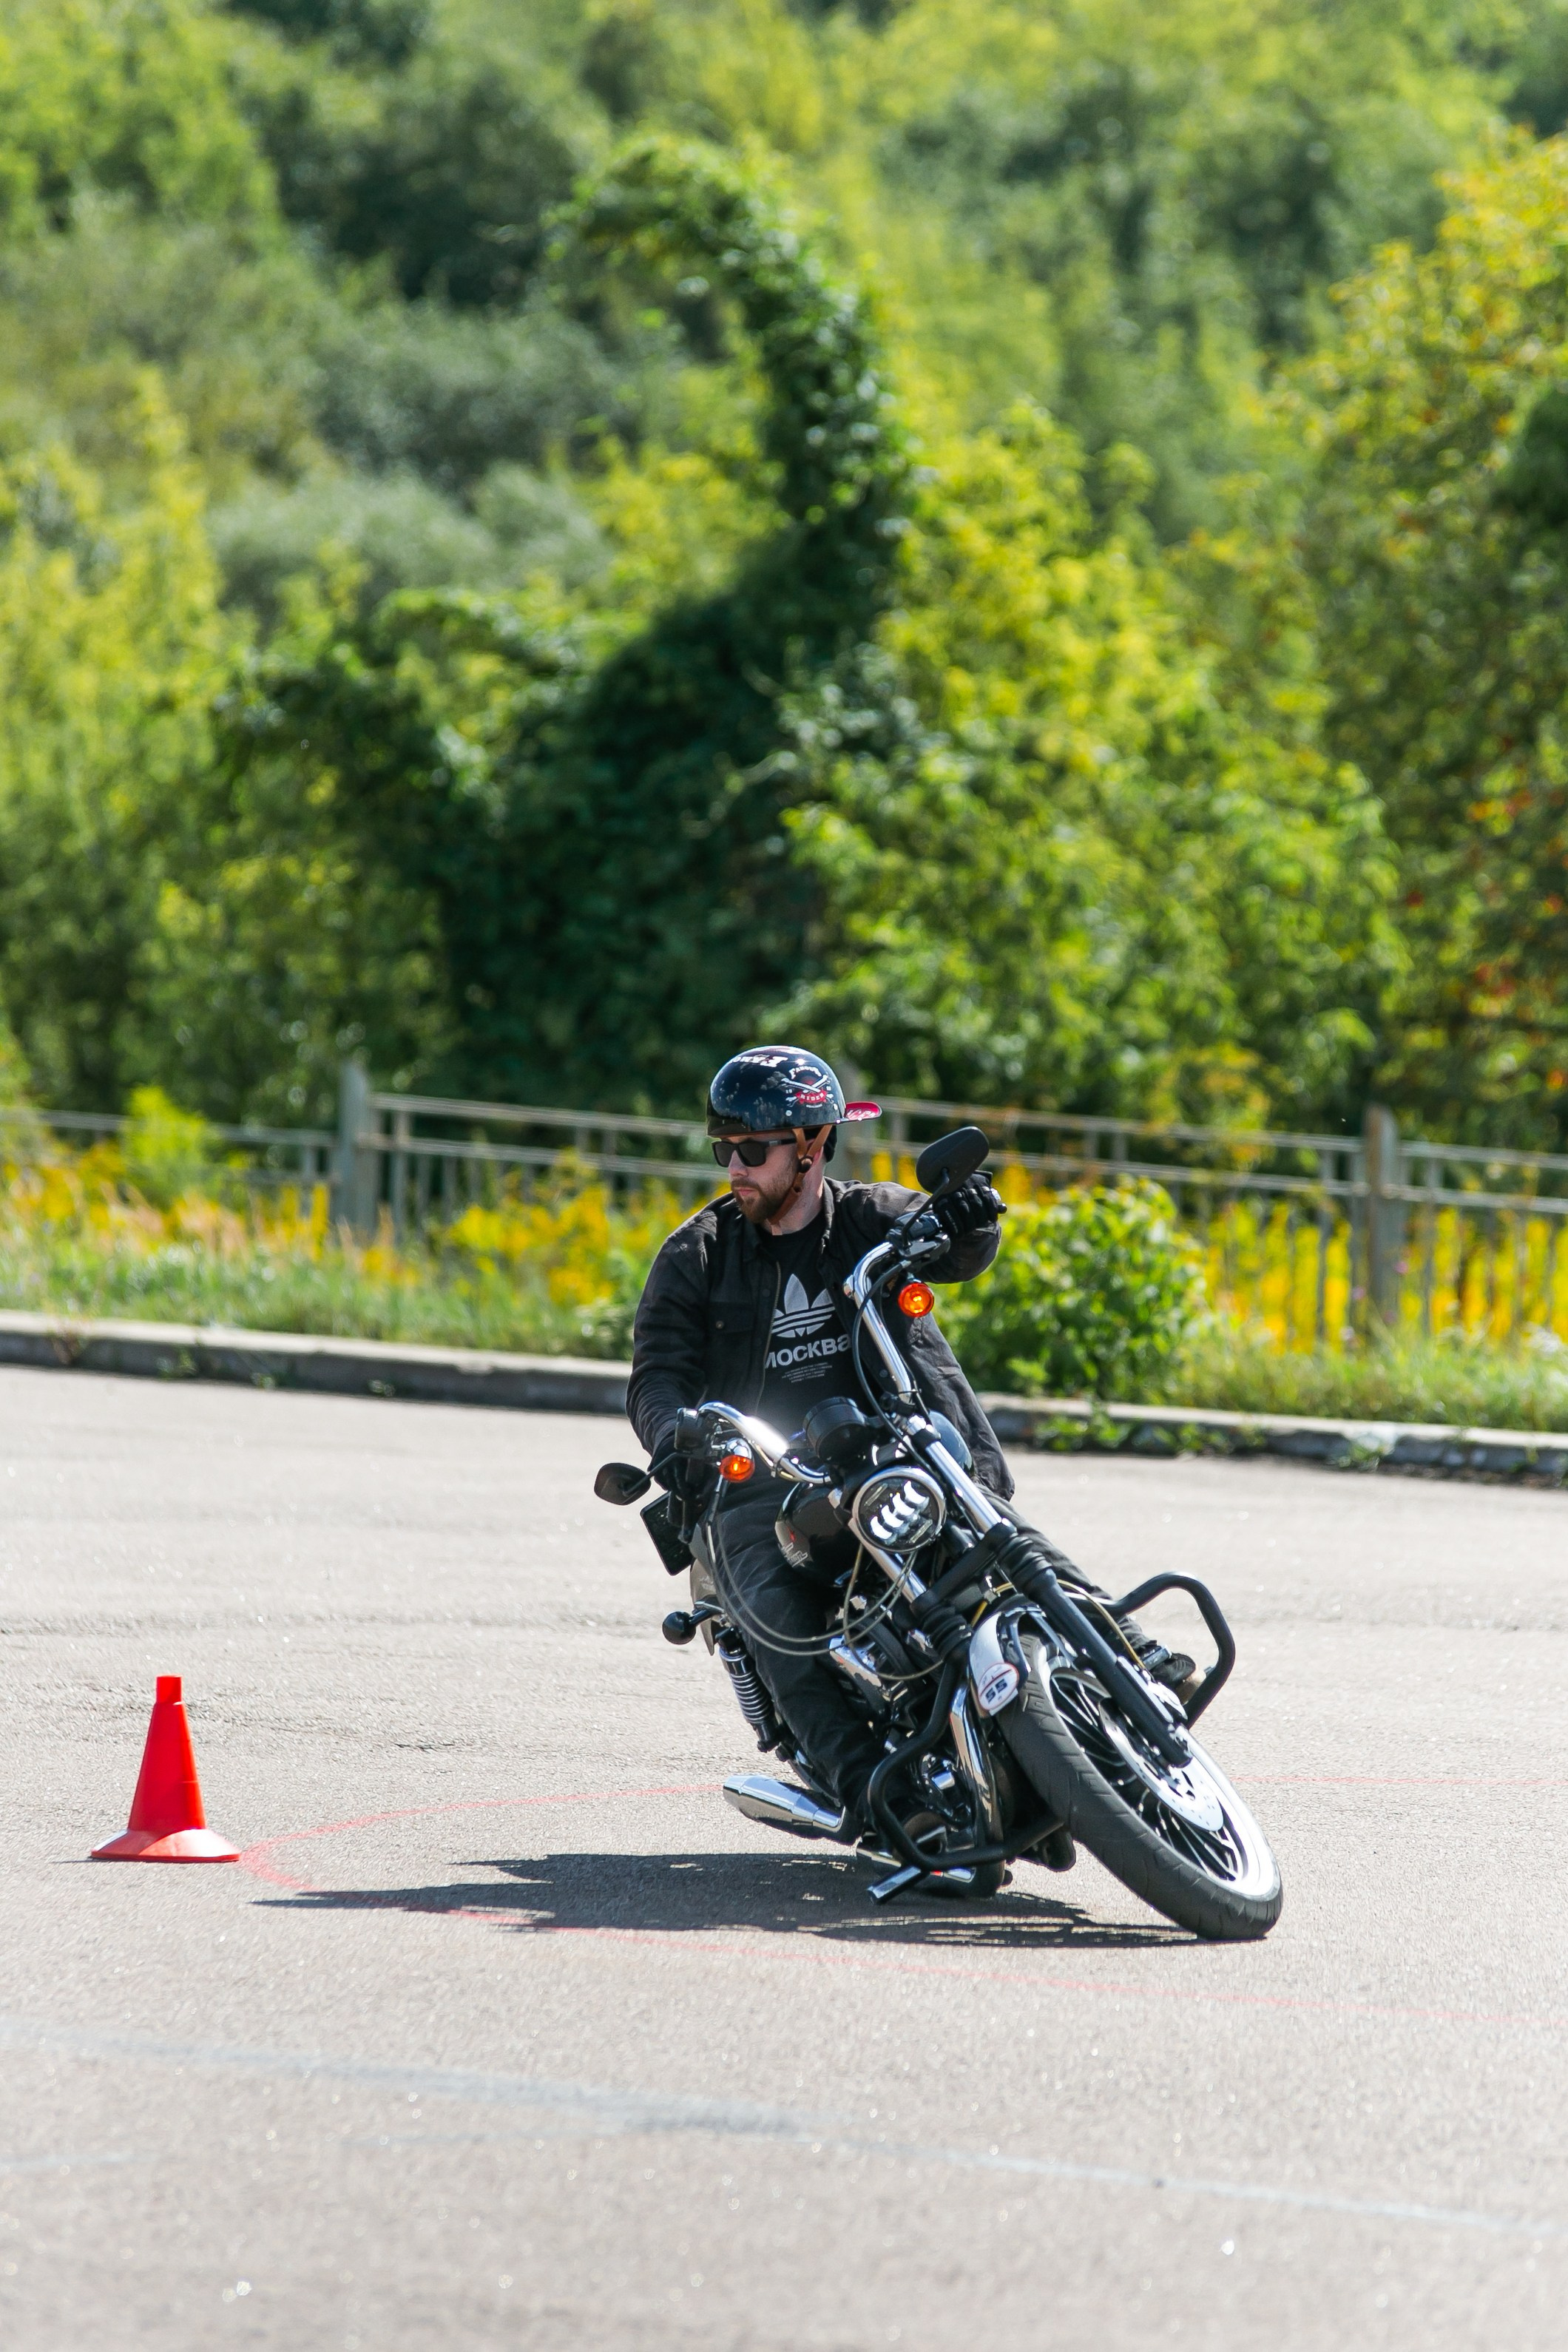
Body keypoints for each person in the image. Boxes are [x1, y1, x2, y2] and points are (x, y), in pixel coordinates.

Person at [626, 1044, 1189, 1828]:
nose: (734, 1167)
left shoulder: (868, 1216)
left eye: (751, 1149)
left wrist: (967, 1217)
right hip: (765, 1479)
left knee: (986, 1523)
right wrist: (675, 1432)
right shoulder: (696, 1255)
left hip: (892, 1438)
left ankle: (1124, 1648)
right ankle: (875, 1795)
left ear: (812, 1145)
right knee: (776, 1617)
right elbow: (654, 1374)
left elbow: (952, 1244)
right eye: (723, 1149)